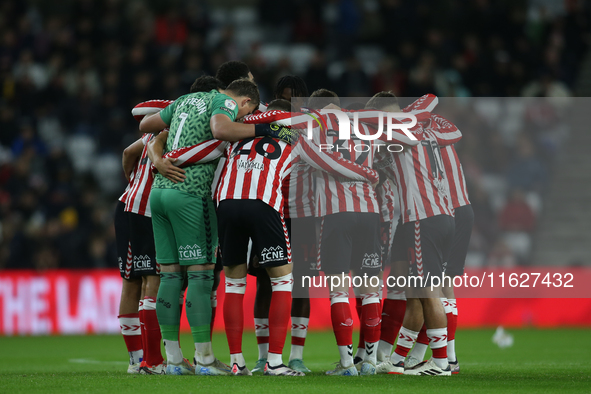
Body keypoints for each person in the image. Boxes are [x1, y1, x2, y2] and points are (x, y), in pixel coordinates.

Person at [138, 79, 284, 375]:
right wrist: (262, 128)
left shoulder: (182, 101)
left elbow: (147, 127)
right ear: (244, 102)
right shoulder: (225, 103)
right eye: (246, 113)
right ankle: (204, 359)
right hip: (190, 193)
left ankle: (174, 360)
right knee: (201, 276)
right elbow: (221, 130)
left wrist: (157, 160)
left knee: (169, 276)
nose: (242, 119)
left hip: (160, 193)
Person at [363, 93, 461, 376]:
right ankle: (397, 361)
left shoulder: (399, 132)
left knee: (428, 291)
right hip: (443, 214)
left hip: (423, 218)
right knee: (416, 292)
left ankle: (441, 362)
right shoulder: (427, 130)